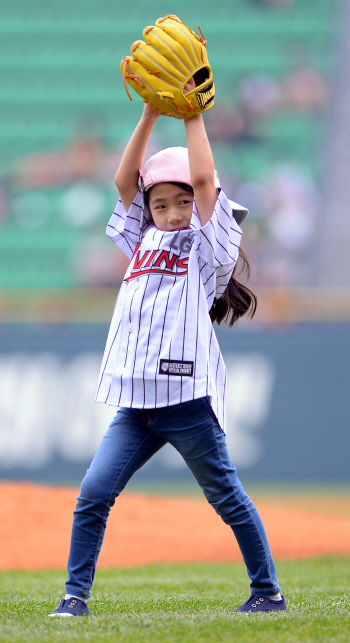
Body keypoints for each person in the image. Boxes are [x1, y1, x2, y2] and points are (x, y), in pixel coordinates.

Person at [49, 89, 286, 616]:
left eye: (183, 202)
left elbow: (203, 181)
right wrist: (149, 114)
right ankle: (74, 595)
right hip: (136, 404)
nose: (174, 211)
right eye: (162, 204)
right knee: (93, 494)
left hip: (187, 402)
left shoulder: (208, 250)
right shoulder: (141, 241)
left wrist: (193, 115)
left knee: (226, 497)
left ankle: (267, 591)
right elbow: (122, 181)